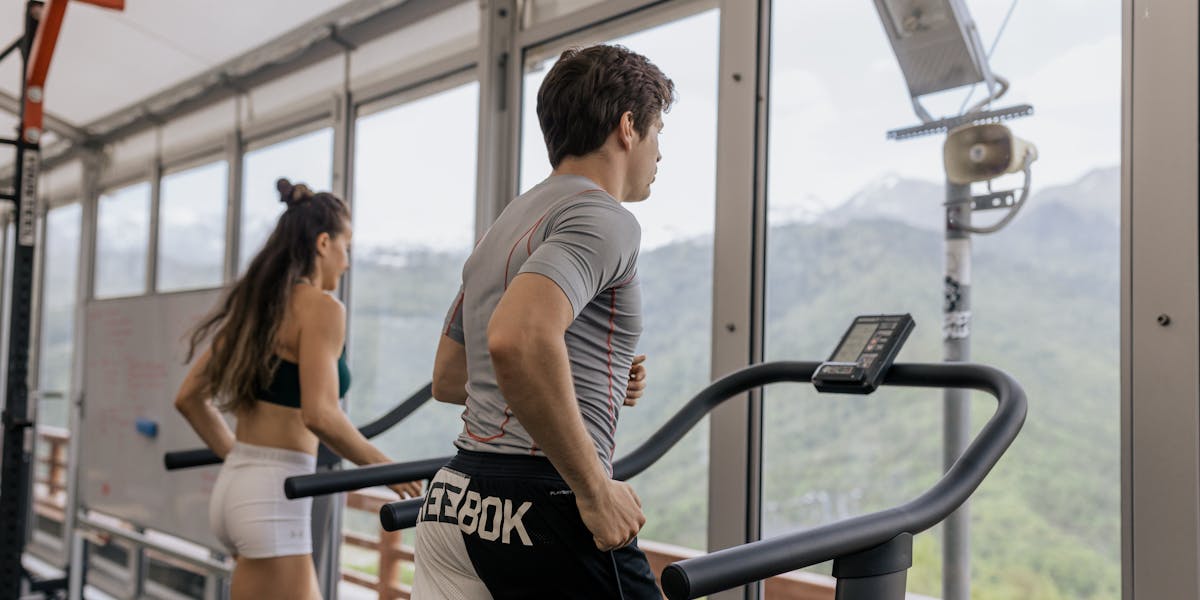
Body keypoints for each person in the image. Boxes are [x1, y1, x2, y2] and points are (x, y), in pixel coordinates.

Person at [413, 43, 673, 599]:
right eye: (658, 131)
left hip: (457, 498)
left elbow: (452, 378)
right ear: (628, 127)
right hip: (540, 502)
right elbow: (518, 340)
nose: (660, 153)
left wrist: (586, 379)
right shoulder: (604, 216)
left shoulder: (506, 223)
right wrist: (595, 490)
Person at [174, 180, 421, 599]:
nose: (347, 263)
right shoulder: (322, 308)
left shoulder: (257, 309)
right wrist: (387, 470)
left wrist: (239, 457)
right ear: (324, 243)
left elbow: (188, 398)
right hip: (273, 495)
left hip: (240, 487)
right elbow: (320, 414)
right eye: (347, 247)